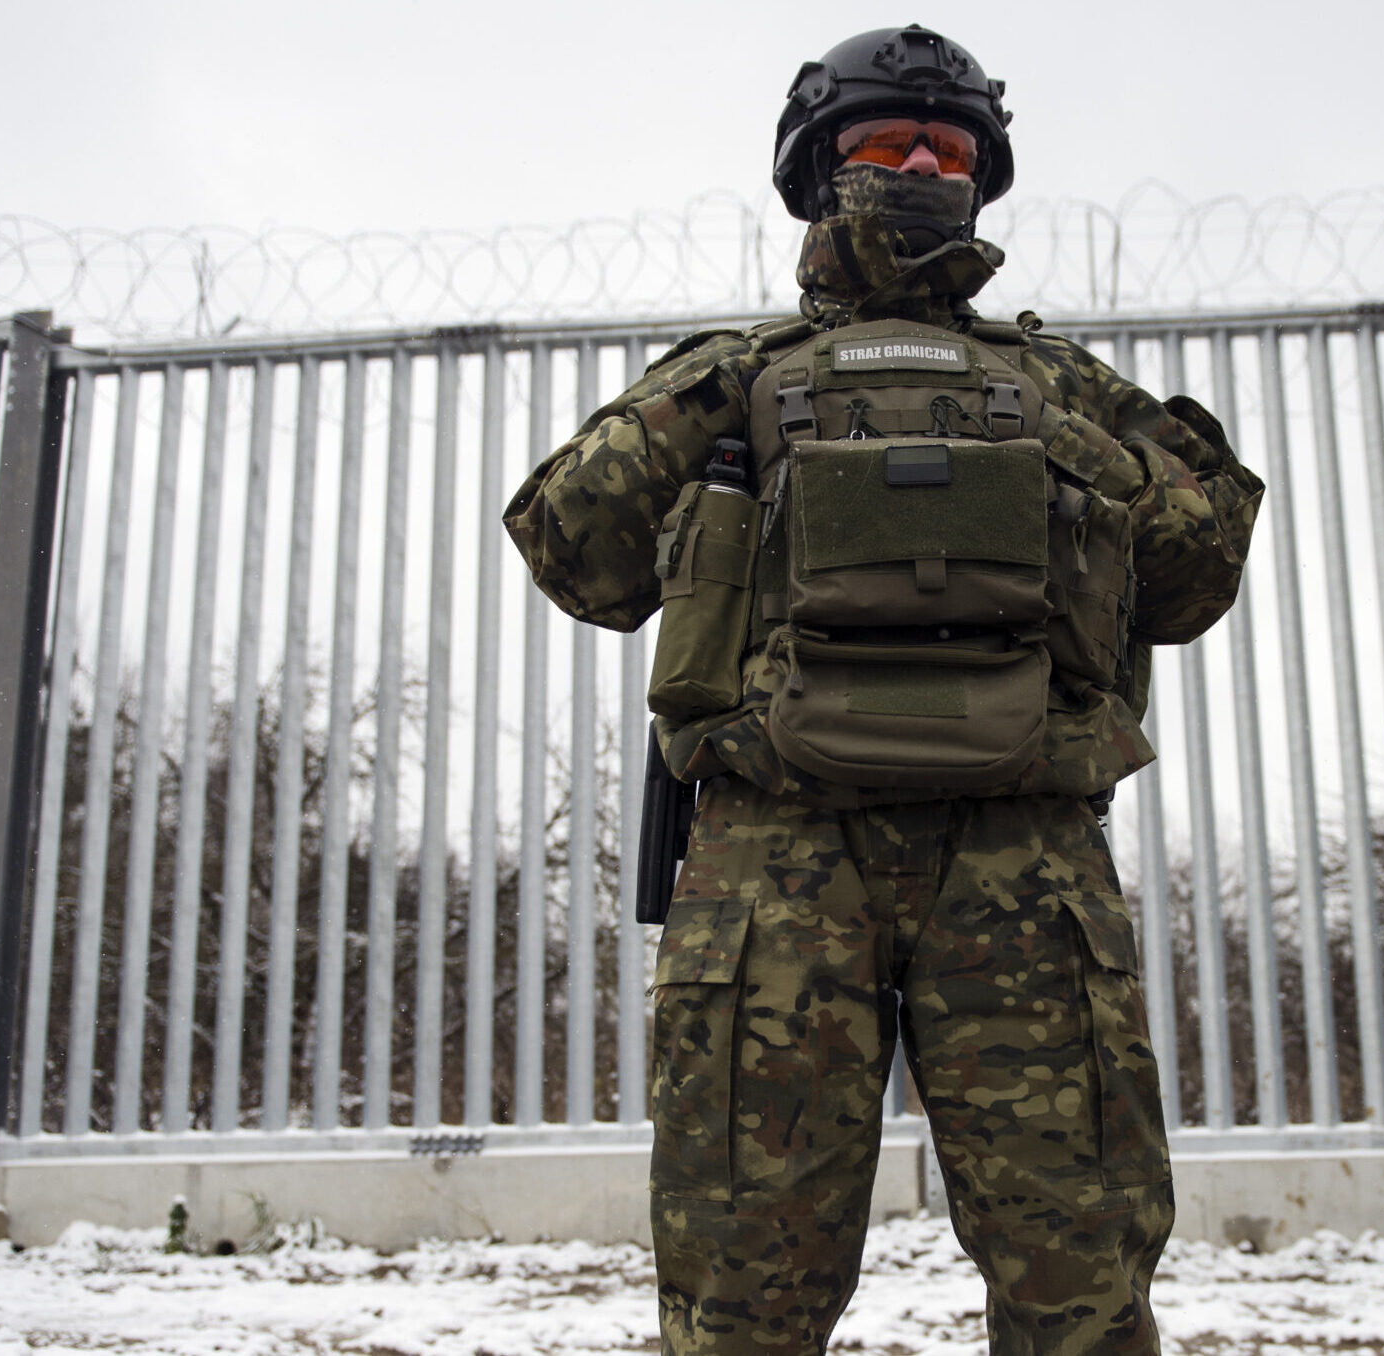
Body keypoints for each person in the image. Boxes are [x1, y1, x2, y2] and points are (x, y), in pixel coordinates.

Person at [504, 23, 1261, 1354]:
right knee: (744, 1289)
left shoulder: (1058, 384)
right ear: (818, 168)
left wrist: (1062, 445)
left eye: (948, 146)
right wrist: (712, 412)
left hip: (1017, 857)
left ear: (984, 178)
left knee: (1078, 1278)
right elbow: (577, 549)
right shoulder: (729, 378)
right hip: (779, 856)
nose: (920, 164)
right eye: (885, 141)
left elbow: (1197, 577)